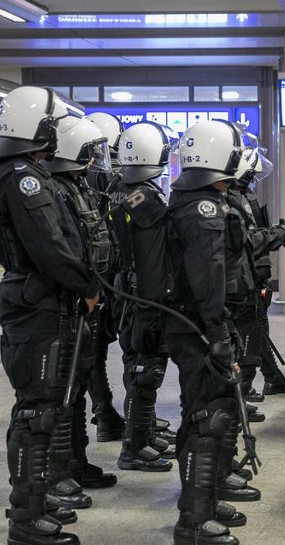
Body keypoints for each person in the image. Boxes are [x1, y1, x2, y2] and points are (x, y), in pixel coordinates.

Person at [0, 85, 96, 545]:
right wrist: (87, 286)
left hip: (43, 302)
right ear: (40, 128)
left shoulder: (20, 171)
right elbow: (50, 247)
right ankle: (26, 518)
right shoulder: (22, 178)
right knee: (36, 412)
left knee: (43, 408)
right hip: (38, 306)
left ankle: (36, 499)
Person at [166, 119, 257, 545]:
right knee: (208, 419)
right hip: (199, 328)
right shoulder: (202, 208)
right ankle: (193, 521)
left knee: (209, 414)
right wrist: (218, 333)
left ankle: (204, 500)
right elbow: (208, 278)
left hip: (197, 324)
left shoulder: (193, 198)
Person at [43, 116, 119, 508]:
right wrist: (85, 290)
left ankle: (76, 462)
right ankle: (57, 472)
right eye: (90, 152)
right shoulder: (56, 191)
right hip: (69, 304)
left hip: (87, 304)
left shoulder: (77, 187)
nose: (96, 160)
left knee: (80, 385)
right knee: (62, 391)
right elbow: (62, 251)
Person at [106, 122, 177, 473]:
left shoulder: (120, 187)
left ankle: (144, 434)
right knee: (146, 367)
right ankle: (135, 446)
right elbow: (153, 257)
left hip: (124, 290)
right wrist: (157, 305)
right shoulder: (147, 198)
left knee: (136, 364)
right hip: (144, 296)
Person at [230, 145, 285, 399]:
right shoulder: (229, 202)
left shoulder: (243, 197)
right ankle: (243, 392)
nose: (252, 181)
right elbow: (249, 241)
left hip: (254, 275)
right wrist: (282, 232)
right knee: (250, 335)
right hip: (241, 278)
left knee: (256, 331)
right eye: (250, 175)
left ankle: (269, 381)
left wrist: (282, 234)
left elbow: (257, 234)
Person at [83, 111, 127, 443]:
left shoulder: (96, 182)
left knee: (99, 346)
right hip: (98, 277)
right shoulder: (86, 184)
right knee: (95, 348)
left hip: (107, 273)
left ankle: (107, 412)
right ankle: (105, 412)